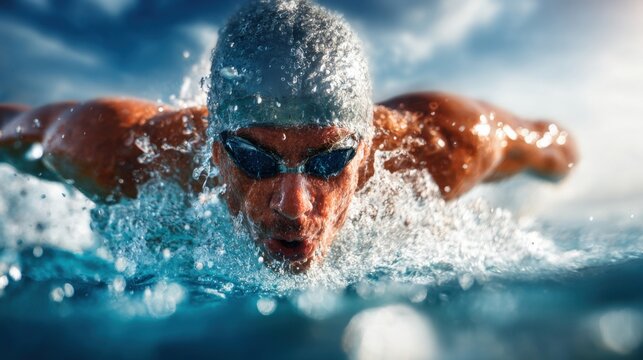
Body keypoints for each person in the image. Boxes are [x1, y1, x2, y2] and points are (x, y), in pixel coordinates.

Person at [0, 0, 577, 272]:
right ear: (214, 145)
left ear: (369, 144)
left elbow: (553, 146)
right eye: (254, 158)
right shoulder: (114, 150)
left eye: (329, 162)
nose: (293, 207)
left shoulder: (444, 148)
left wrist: (564, 173)